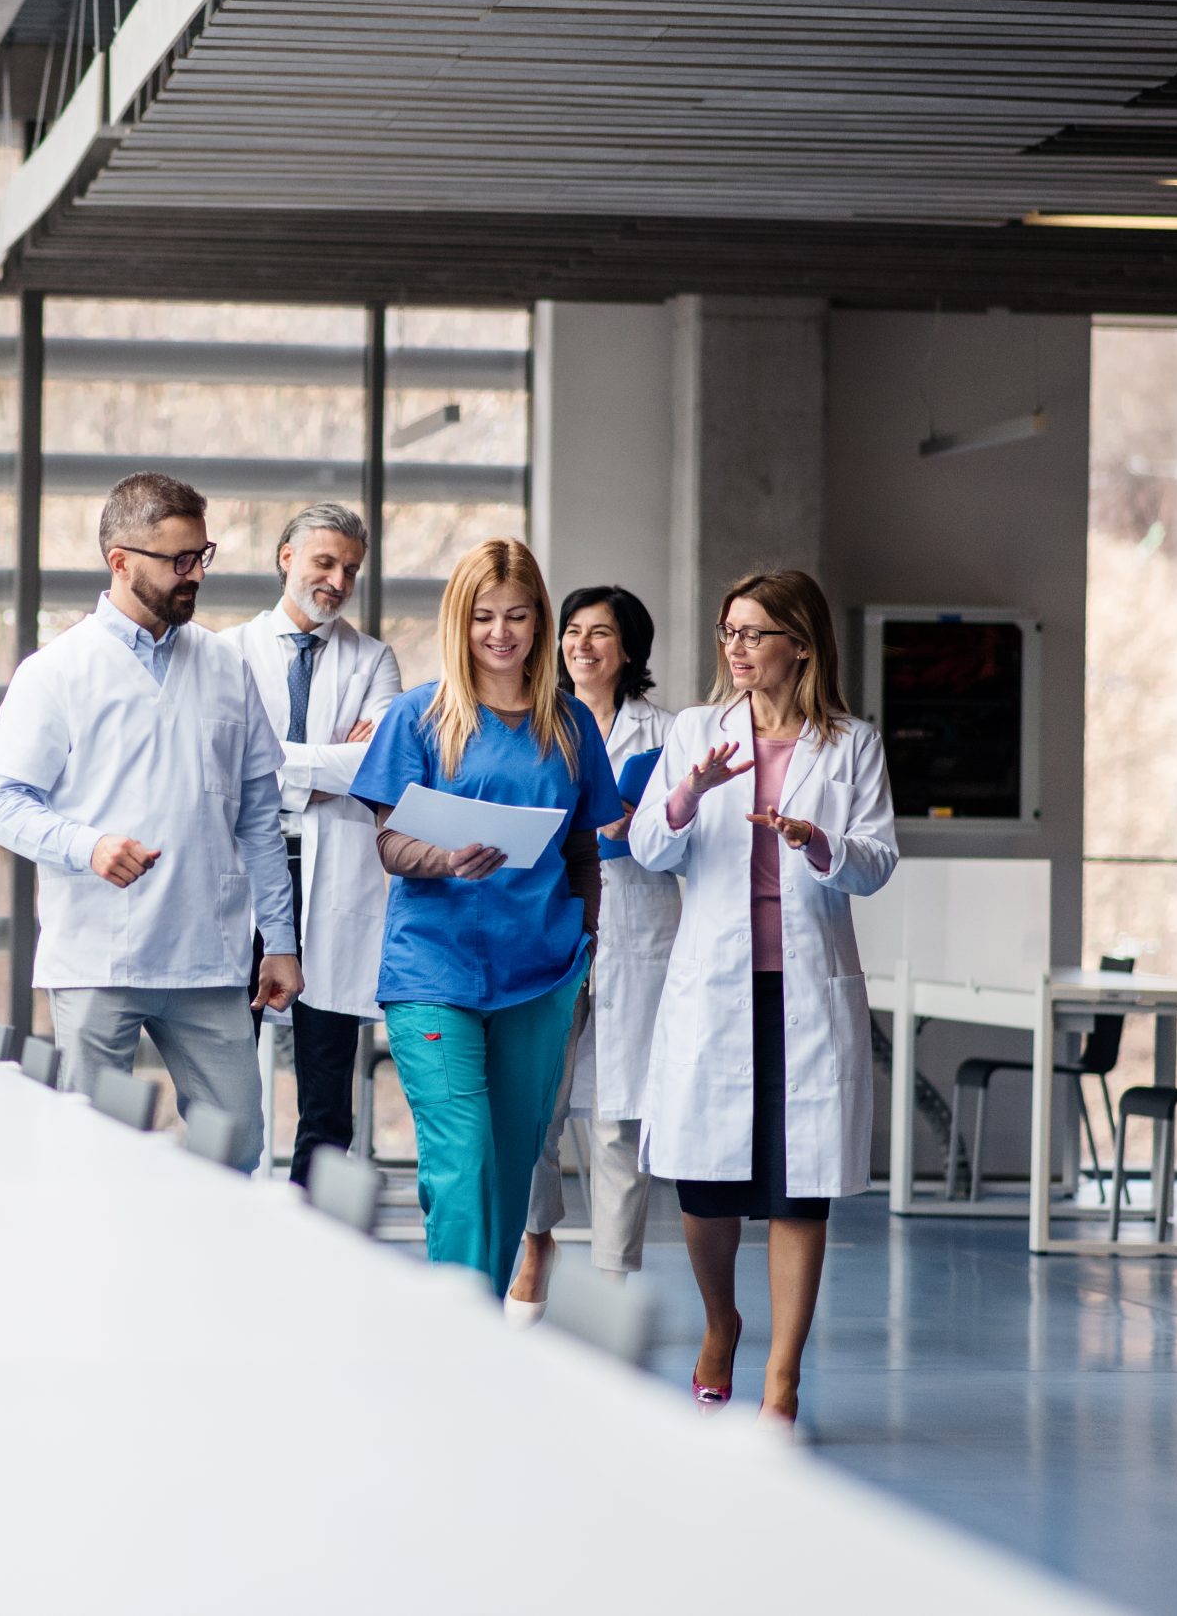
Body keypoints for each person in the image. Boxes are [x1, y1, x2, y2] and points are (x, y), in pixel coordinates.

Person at [0, 472, 302, 1174]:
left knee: (238, 1146)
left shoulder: (224, 664)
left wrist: (280, 939)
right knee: (88, 1152)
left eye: (202, 556)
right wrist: (86, 846)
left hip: (209, 958)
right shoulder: (55, 672)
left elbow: (258, 818)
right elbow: (2, 805)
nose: (195, 576)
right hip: (99, 955)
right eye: (177, 560)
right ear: (120, 561)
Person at [630, 568, 896, 1428]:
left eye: (755, 633)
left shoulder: (851, 742)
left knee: (797, 1185)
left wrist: (820, 842)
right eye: (729, 632)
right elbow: (648, 846)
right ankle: (721, 1324)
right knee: (706, 1187)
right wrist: (689, 793)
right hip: (716, 986)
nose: (737, 648)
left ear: (803, 645)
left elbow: (878, 860)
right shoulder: (694, 730)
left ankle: (782, 1377)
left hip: (805, 987)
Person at [350, 539, 624, 1297]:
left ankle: (479, 1328)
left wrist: (586, 945)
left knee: (508, 1168)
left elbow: (581, 849)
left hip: (540, 974)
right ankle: (458, 1347)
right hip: (434, 969)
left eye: (517, 615)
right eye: (482, 617)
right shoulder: (419, 718)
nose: (500, 632)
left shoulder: (569, 726)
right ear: (458, 622)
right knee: (461, 1160)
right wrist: (445, 859)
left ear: (539, 621)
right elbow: (391, 842)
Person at [506, 584, 678, 1319]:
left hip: (637, 930)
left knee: (615, 1120)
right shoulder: (537, 723)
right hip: (553, 925)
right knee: (533, 1107)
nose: (581, 644)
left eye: (599, 633)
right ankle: (538, 1235)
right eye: (572, 630)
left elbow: (690, 840)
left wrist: (641, 828)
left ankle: (613, 1284)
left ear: (628, 648)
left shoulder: (668, 732)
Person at [222, 503, 402, 1186]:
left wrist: (270, 763)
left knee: (328, 1095)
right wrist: (321, 766)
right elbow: (223, 766)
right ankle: (226, 1219)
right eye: (324, 562)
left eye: (350, 569)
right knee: (228, 1074)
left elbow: (376, 768)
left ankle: (314, 1241)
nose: (337, 579)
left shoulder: (373, 658)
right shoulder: (228, 651)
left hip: (334, 883)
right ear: (286, 556)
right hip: (247, 879)